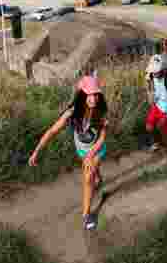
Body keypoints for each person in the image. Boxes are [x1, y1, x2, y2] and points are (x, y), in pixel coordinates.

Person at [29, 76, 109, 231]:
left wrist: (90, 155)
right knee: (93, 171)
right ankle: (98, 177)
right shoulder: (72, 114)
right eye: (89, 94)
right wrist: (36, 152)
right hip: (82, 151)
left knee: (88, 177)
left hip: (97, 149)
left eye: (96, 94)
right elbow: (52, 131)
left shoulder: (100, 112)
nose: (93, 98)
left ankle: (86, 215)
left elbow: (102, 138)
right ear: (81, 95)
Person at [145, 54, 167, 162]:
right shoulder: (152, 77)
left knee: (166, 136)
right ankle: (157, 143)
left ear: (163, 69)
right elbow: (151, 99)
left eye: (156, 71)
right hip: (157, 106)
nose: (154, 74)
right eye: (153, 71)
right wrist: (148, 84)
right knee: (149, 127)